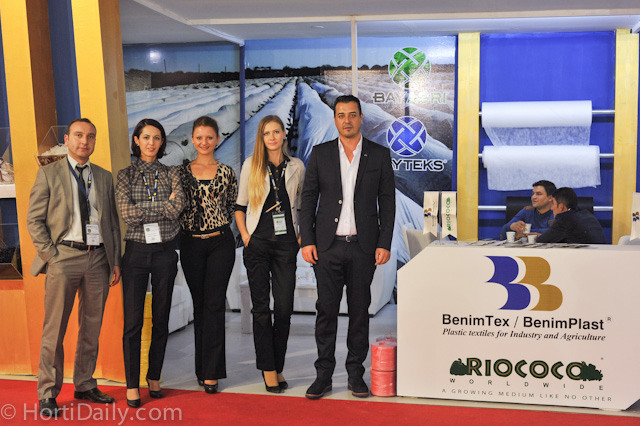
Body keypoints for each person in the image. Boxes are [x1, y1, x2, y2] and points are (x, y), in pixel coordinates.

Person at [300, 95, 395, 399]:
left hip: (363, 248)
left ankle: (355, 374)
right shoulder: (321, 153)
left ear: (361, 118)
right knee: (326, 313)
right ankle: (323, 376)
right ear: (335, 119)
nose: (347, 120)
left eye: (352, 115)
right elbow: (308, 199)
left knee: (359, 313)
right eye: (341, 115)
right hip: (327, 247)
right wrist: (308, 239)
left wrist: (384, 243)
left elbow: (388, 202)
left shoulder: (379, 155)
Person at [27, 118, 122, 417]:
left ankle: (84, 383)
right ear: (67, 139)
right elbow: (34, 220)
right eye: (79, 135)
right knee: (54, 329)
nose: (85, 141)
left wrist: (115, 260)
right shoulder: (49, 173)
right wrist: (51, 255)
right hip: (63, 257)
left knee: (91, 327)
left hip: (98, 258)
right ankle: (47, 392)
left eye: (90, 136)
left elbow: (112, 223)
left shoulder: (104, 176)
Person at [115, 119, 186, 408]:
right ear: (136, 140)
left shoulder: (172, 173)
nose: (151, 143)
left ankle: (154, 375)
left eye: (157, 138)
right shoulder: (125, 175)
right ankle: (132, 384)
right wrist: (162, 207)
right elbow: (127, 213)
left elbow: (177, 207)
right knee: (132, 323)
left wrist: (148, 208)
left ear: (162, 142)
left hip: (165, 252)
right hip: (136, 254)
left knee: (161, 318)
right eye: (146, 137)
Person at [235, 115, 305, 393]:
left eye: (276, 132)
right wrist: (245, 235)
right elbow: (240, 206)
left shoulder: (297, 166)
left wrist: (300, 235)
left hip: (286, 245)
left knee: (284, 309)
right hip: (258, 245)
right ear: (261, 138)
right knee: (261, 309)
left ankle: (278, 364)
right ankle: (269, 369)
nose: (272, 137)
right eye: (267, 133)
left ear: (284, 134)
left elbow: (302, 203)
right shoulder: (251, 165)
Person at [179, 116, 237, 394]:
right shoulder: (180, 173)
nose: (204, 142)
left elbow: (231, 206)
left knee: (214, 305)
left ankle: (212, 373)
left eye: (209, 137)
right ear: (193, 139)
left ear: (217, 139)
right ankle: (201, 368)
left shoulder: (227, 172)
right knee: (200, 305)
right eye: (199, 137)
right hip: (191, 244)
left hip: (219, 244)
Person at [537, 187, 606, 244]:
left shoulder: (564, 219)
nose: (551, 208)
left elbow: (541, 241)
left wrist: (539, 237)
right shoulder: (586, 214)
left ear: (561, 207)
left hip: (586, 255)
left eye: (553, 204)